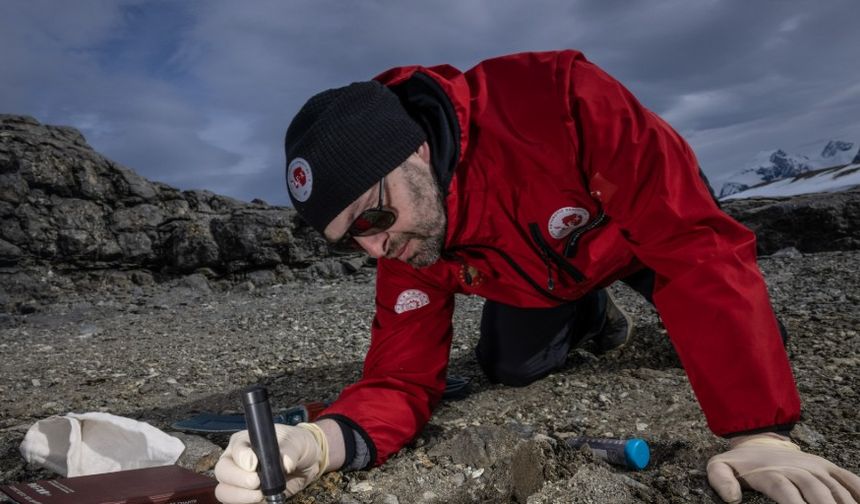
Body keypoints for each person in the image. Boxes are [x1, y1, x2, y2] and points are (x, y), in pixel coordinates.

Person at [214, 50, 860, 503]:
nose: (379, 248)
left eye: (376, 216)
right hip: (538, 284)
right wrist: (321, 443)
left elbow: (694, 247)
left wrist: (760, 433)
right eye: (353, 239)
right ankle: (592, 315)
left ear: (414, 152)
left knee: (748, 330)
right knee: (512, 368)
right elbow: (399, 379)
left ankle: (620, 306)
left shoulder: (560, 97)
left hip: (636, 244)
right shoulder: (410, 240)